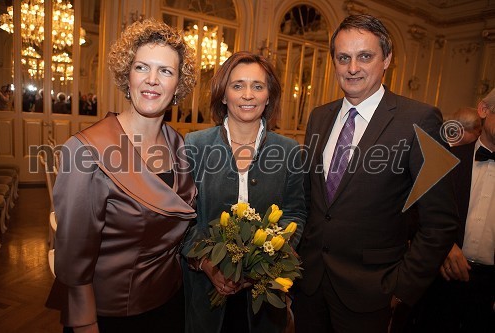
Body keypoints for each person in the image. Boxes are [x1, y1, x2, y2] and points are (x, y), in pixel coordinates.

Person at [293, 14, 459, 333]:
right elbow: (313, 201)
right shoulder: (319, 117)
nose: (352, 68)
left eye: (364, 56)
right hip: (309, 285)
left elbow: (440, 221)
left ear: (387, 60)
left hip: (372, 293)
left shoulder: (420, 120)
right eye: (344, 58)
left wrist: (402, 288)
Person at [45, 18, 198, 333]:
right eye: (142, 67)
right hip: (112, 316)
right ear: (127, 75)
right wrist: (85, 322)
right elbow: (73, 256)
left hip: (171, 305)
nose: (152, 80)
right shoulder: (86, 151)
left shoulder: (180, 145)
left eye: (165, 71)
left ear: (178, 85)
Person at [182, 51, 306, 333]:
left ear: (268, 97)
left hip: (264, 293)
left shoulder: (288, 151)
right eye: (238, 86)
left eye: (258, 86)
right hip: (205, 289)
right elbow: (182, 217)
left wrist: (266, 258)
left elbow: (296, 212)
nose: (248, 95)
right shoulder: (195, 145)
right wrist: (206, 263)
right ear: (224, 95)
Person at [409, 88, 495, 333]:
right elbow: (413, 213)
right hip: (439, 281)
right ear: (484, 110)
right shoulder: (446, 159)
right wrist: (443, 245)